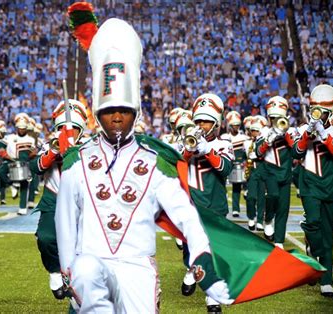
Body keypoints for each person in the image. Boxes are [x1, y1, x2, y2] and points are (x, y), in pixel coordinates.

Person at [55, 18, 232, 313]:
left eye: (124, 110)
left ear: (135, 113)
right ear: (97, 114)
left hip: (137, 269)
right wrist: (67, 268)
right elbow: (65, 219)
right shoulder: (77, 158)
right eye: (108, 110)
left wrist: (201, 256)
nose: (116, 118)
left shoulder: (156, 158)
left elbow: (185, 214)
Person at [292, 84, 333, 297]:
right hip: (309, 185)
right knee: (312, 222)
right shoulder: (304, 129)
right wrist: (308, 132)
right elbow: (296, 152)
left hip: (331, 187)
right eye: (315, 110)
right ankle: (314, 250)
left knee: (328, 235)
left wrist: (324, 133)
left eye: (323, 111)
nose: (318, 115)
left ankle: (326, 280)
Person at [180, 93, 234, 312]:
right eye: (198, 120)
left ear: (216, 124)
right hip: (190, 205)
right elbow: (175, 165)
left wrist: (207, 150)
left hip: (215, 205)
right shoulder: (185, 141)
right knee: (190, 250)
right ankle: (192, 269)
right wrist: (189, 149)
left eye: (206, 121)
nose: (201, 125)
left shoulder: (224, 143)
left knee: (213, 252)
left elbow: (226, 169)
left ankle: (212, 298)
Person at [31, 99, 88, 300]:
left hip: (82, 202)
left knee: (81, 246)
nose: (66, 132)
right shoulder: (48, 145)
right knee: (46, 238)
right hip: (53, 199)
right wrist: (54, 152)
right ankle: (55, 271)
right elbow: (35, 168)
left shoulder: (91, 146)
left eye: (71, 129)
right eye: (62, 128)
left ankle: (75, 281)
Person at [255, 96, 295, 248]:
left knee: (284, 207)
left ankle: (279, 241)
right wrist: (268, 140)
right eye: (273, 117)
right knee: (273, 196)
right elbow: (258, 152)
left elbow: (298, 150)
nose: (276, 120)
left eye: (279, 118)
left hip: (285, 172)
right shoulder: (264, 131)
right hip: (269, 171)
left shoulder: (291, 130)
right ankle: (267, 217)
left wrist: (285, 135)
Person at [0, 113, 37, 215]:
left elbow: (33, 151)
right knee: (1, 171)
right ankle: (12, 185)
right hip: (11, 161)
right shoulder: (10, 137)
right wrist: (2, 152)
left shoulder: (31, 139)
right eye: (20, 128)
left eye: (23, 128)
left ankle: (22, 207)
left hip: (25, 163)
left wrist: (33, 153)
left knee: (24, 183)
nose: (21, 130)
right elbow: (0, 145)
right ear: (16, 127)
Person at [220, 111, 249, 217]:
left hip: (240, 164)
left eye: (237, 125)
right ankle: (227, 206)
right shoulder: (224, 137)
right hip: (227, 163)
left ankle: (236, 209)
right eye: (234, 125)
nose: (236, 127)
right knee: (222, 184)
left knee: (237, 185)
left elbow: (247, 152)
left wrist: (244, 161)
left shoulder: (244, 137)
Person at [243, 116, 267, 231]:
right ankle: (251, 217)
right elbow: (246, 156)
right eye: (252, 130)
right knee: (251, 197)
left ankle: (260, 220)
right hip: (252, 171)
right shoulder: (247, 143)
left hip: (262, 170)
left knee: (262, 197)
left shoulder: (264, 141)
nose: (254, 132)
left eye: (256, 130)